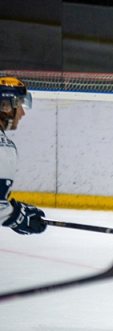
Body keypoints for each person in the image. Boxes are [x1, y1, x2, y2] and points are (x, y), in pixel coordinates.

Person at [0, 77, 45, 236]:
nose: (23, 112)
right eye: (19, 105)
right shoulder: (3, 147)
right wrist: (19, 217)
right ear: (5, 106)